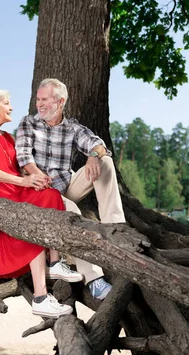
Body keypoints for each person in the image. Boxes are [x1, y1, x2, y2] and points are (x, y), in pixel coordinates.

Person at [0, 87, 84, 319]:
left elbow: (22, 164)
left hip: (16, 189)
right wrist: (23, 181)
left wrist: (36, 178)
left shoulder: (9, 137)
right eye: (6, 103)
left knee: (50, 195)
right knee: (28, 222)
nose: (11, 108)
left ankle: (54, 262)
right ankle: (40, 297)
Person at [15, 78, 126, 300]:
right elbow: (23, 156)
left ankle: (115, 227)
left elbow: (96, 143)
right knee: (72, 209)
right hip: (42, 191)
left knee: (105, 162)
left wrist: (94, 156)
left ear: (60, 101)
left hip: (66, 185)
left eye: (45, 99)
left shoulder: (72, 127)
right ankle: (93, 278)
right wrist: (37, 174)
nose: (40, 104)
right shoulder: (29, 123)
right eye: (38, 99)